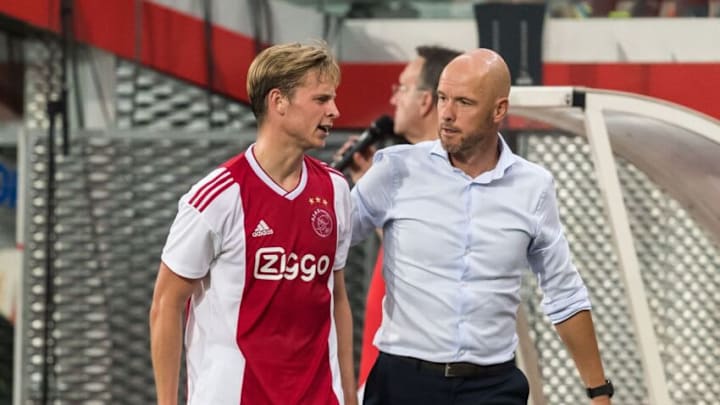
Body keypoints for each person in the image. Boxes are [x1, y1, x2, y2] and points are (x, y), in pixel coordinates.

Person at [351, 48, 613, 404]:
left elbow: (564, 293)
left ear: (499, 110)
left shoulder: (533, 186)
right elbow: (326, 244)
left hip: (492, 387)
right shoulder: (396, 170)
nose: (447, 113)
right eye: (443, 98)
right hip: (402, 385)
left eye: (463, 102)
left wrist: (599, 392)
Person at [149, 42, 357, 405]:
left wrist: (350, 397)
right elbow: (166, 303)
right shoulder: (217, 195)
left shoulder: (336, 189)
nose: (335, 111)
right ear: (278, 101)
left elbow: (336, 297)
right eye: (321, 99)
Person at [333, 45, 461, 390]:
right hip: (386, 367)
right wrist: (366, 185)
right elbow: (408, 249)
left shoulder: (457, 175)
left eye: (402, 88)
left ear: (425, 101)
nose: (394, 100)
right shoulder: (402, 168)